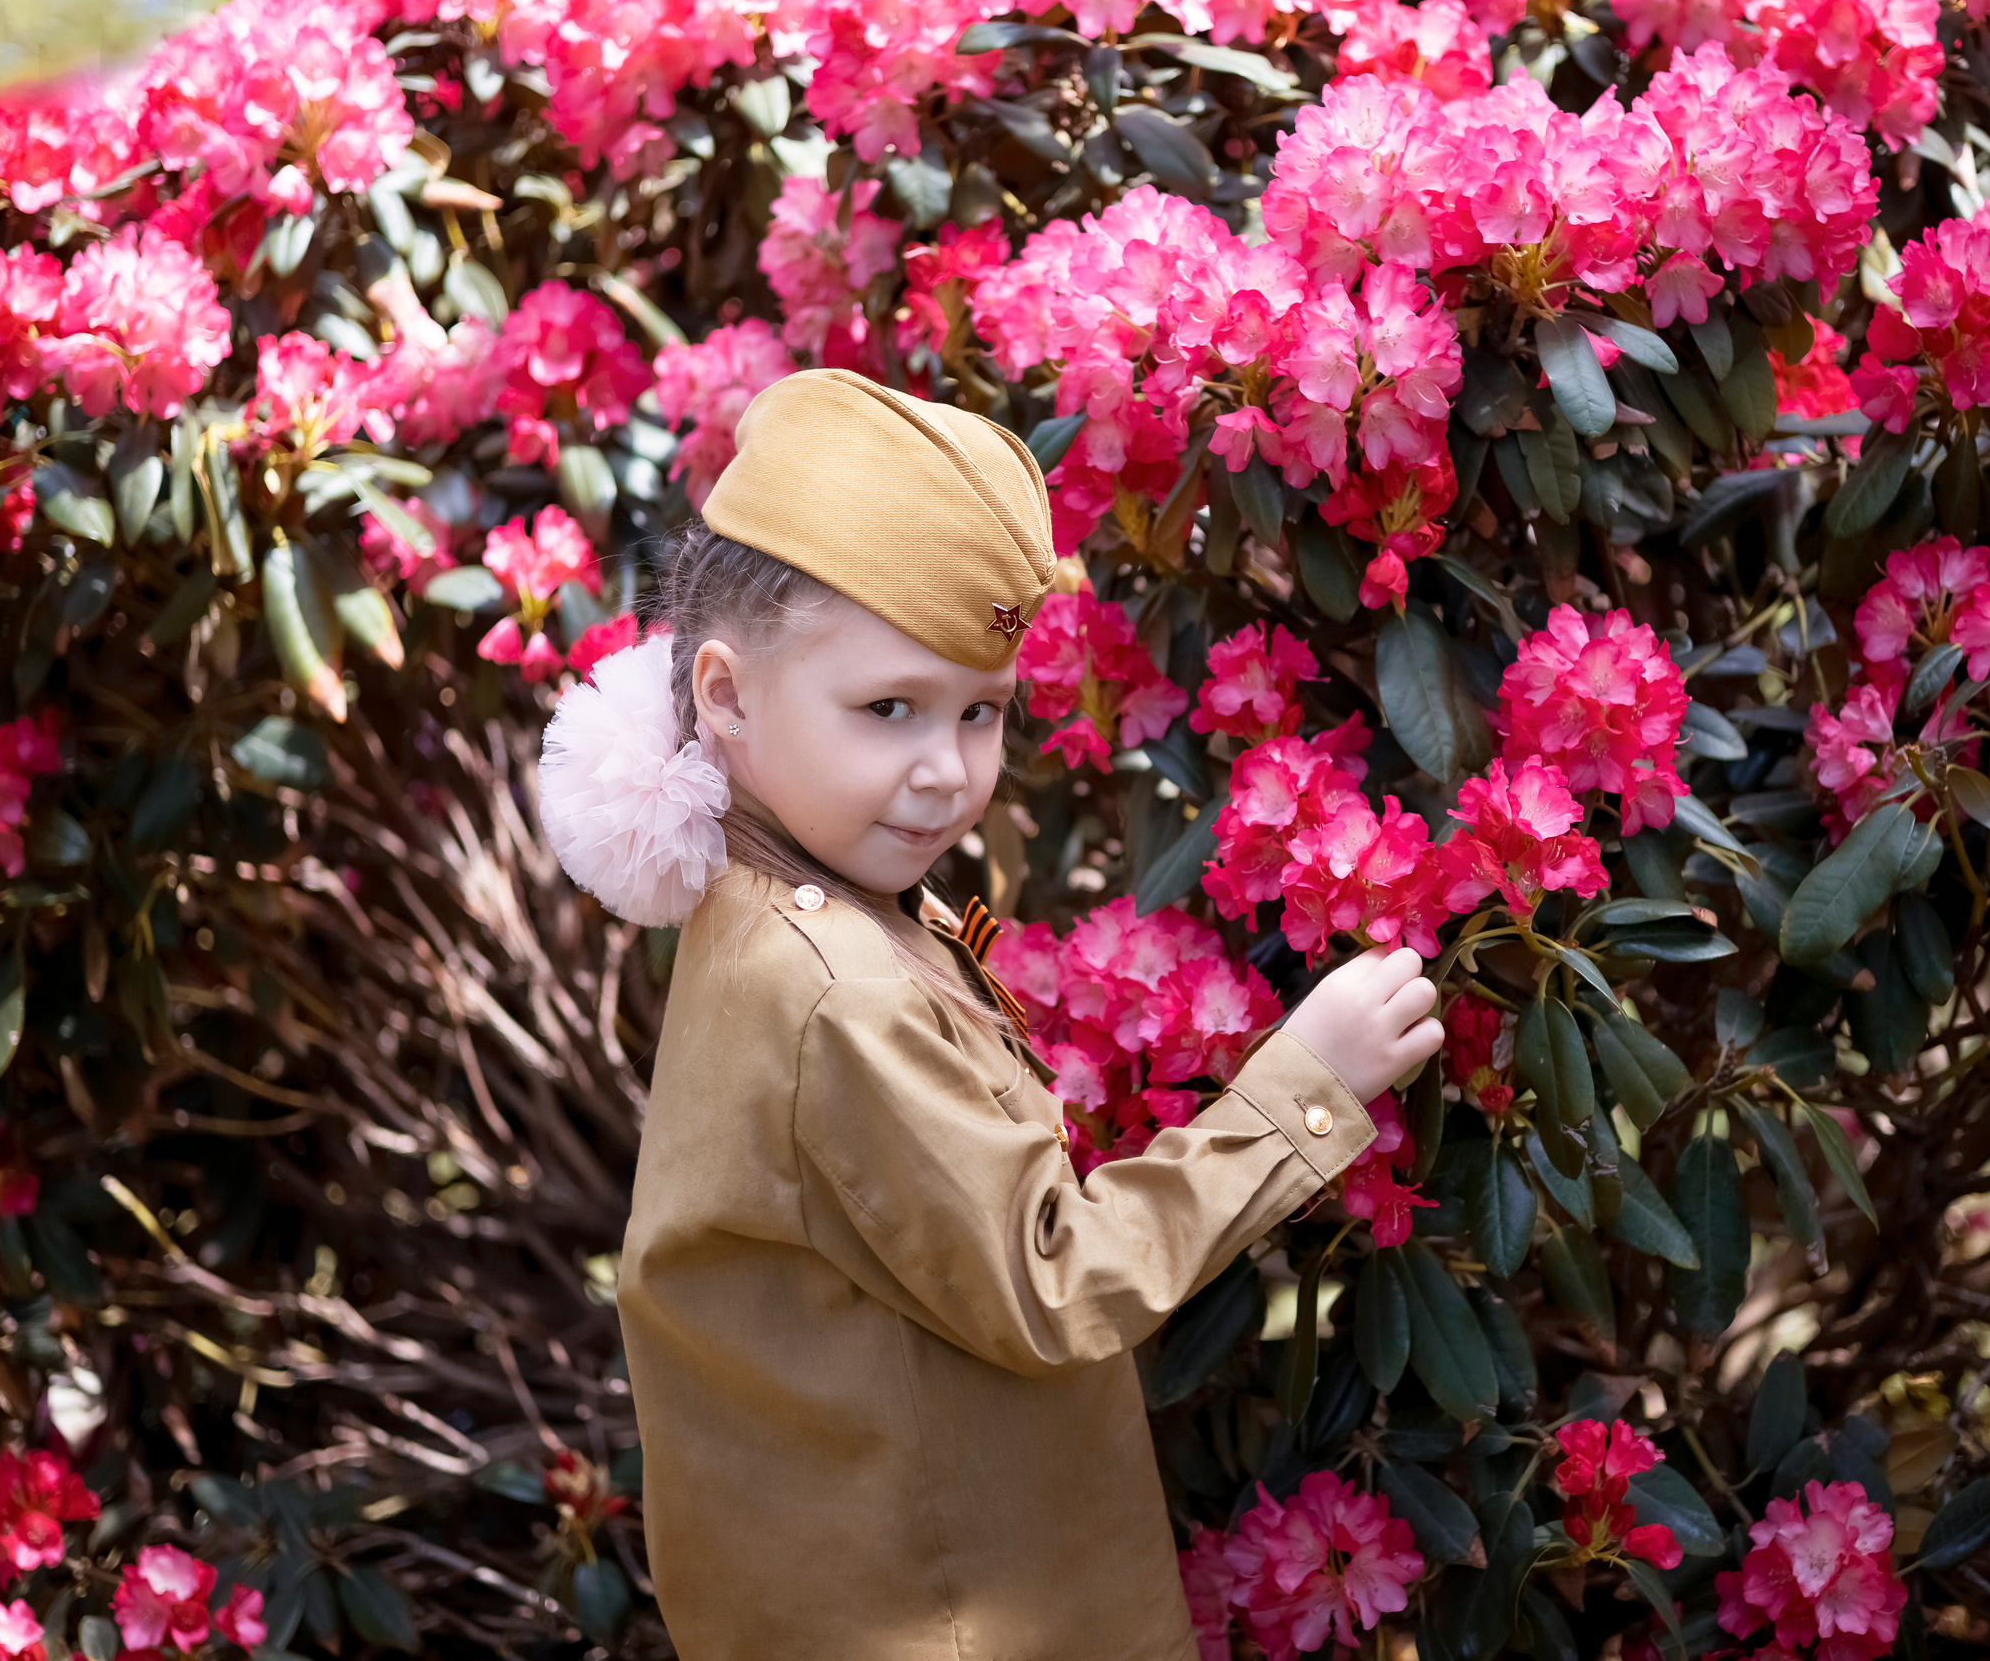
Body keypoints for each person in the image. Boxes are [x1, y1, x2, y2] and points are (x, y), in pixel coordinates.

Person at [537, 368, 1446, 1660]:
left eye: (981, 711)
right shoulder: (833, 986)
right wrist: (1307, 1081)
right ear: (726, 698)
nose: (946, 771)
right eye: (888, 708)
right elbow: (1056, 1274)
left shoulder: (773, 894)